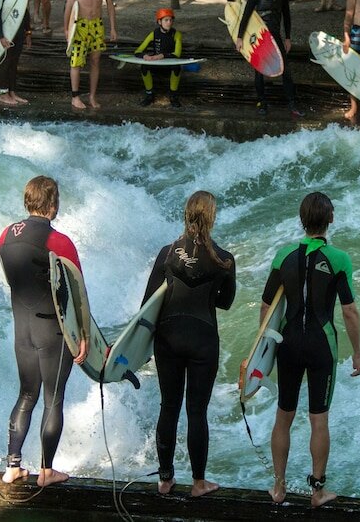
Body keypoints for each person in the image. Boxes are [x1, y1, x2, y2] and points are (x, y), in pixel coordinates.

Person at [261, 191, 360, 508]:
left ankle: (279, 488)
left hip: (287, 343)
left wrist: (262, 351)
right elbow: (349, 311)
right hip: (321, 345)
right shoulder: (339, 259)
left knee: (283, 416)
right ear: (330, 218)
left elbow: (266, 307)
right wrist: (358, 352)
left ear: (302, 219)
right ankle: (317, 492)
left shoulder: (283, 256)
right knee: (319, 419)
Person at [141, 191, 236, 498]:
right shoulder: (224, 259)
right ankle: (198, 483)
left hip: (168, 338)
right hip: (203, 340)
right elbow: (226, 302)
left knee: (169, 407)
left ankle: (165, 480)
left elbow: (148, 304)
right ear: (212, 218)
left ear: (186, 215)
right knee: (197, 411)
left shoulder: (167, 253)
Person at [0, 176, 88, 487]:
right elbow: (77, 292)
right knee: (53, 399)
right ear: (53, 205)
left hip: (22, 330)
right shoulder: (59, 242)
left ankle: (12, 466)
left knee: (26, 394)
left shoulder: (4, 237)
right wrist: (83, 336)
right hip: (52, 332)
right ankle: (46, 472)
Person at [236, 0, 300, 117]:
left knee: (286, 70)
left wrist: (288, 37)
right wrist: (239, 38)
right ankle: (262, 103)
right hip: (260, 38)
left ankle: (292, 104)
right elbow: (245, 17)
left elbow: (287, 17)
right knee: (259, 71)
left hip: (276, 36)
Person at [64, 0, 117, 109]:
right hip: (80, 24)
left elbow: (109, 6)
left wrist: (113, 28)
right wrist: (66, 28)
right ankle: (75, 96)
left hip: (96, 25)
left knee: (95, 61)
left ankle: (92, 96)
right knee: (76, 60)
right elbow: (69, 4)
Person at [135, 8, 183, 108]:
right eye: (166, 20)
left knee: (177, 67)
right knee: (144, 67)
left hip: (169, 65)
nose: (169, 23)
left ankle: (173, 96)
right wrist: (145, 56)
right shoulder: (154, 34)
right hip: (156, 65)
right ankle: (149, 95)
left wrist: (162, 55)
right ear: (159, 22)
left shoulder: (176, 34)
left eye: (170, 20)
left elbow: (177, 54)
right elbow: (138, 51)